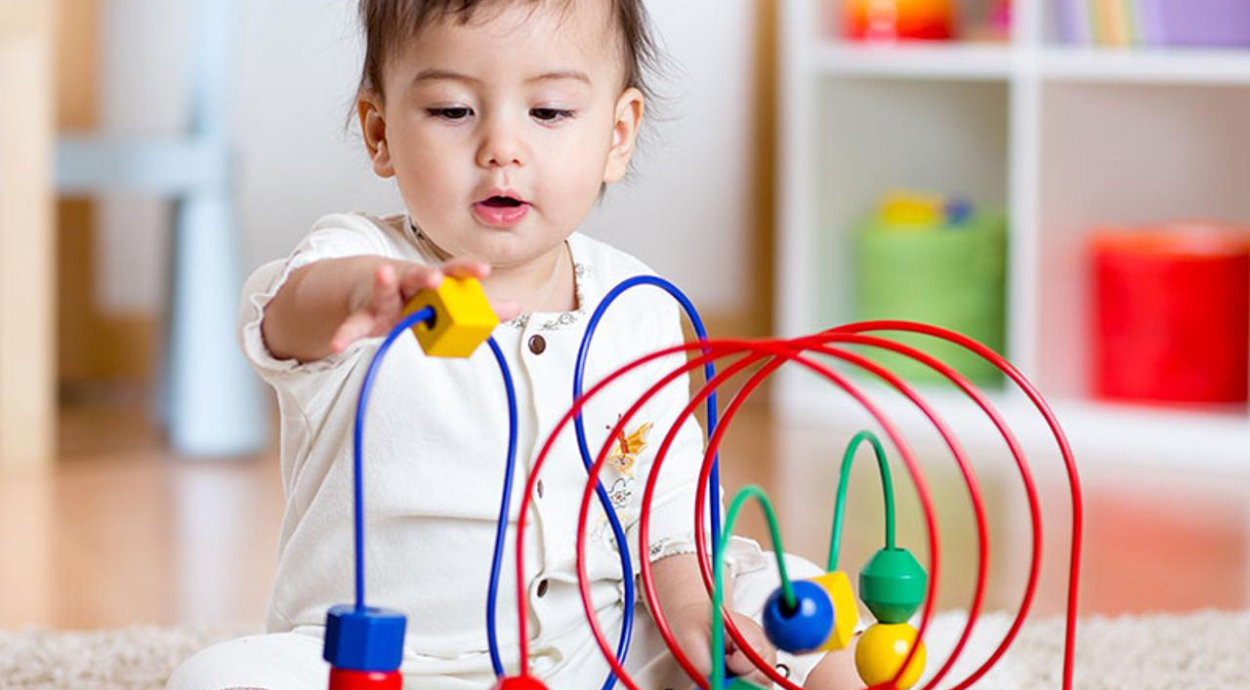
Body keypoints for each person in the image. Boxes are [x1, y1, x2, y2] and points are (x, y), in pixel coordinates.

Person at [167, 1, 861, 688]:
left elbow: (666, 517)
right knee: (216, 676)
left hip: (603, 646)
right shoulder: (361, 260)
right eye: (451, 110)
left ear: (617, 136)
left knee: (795, 599)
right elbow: (285, 317)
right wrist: (367, 295)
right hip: (393, 665)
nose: (502, 147)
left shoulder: (639, 305)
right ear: (379, 132)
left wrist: (688, 608)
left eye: (550, 112)